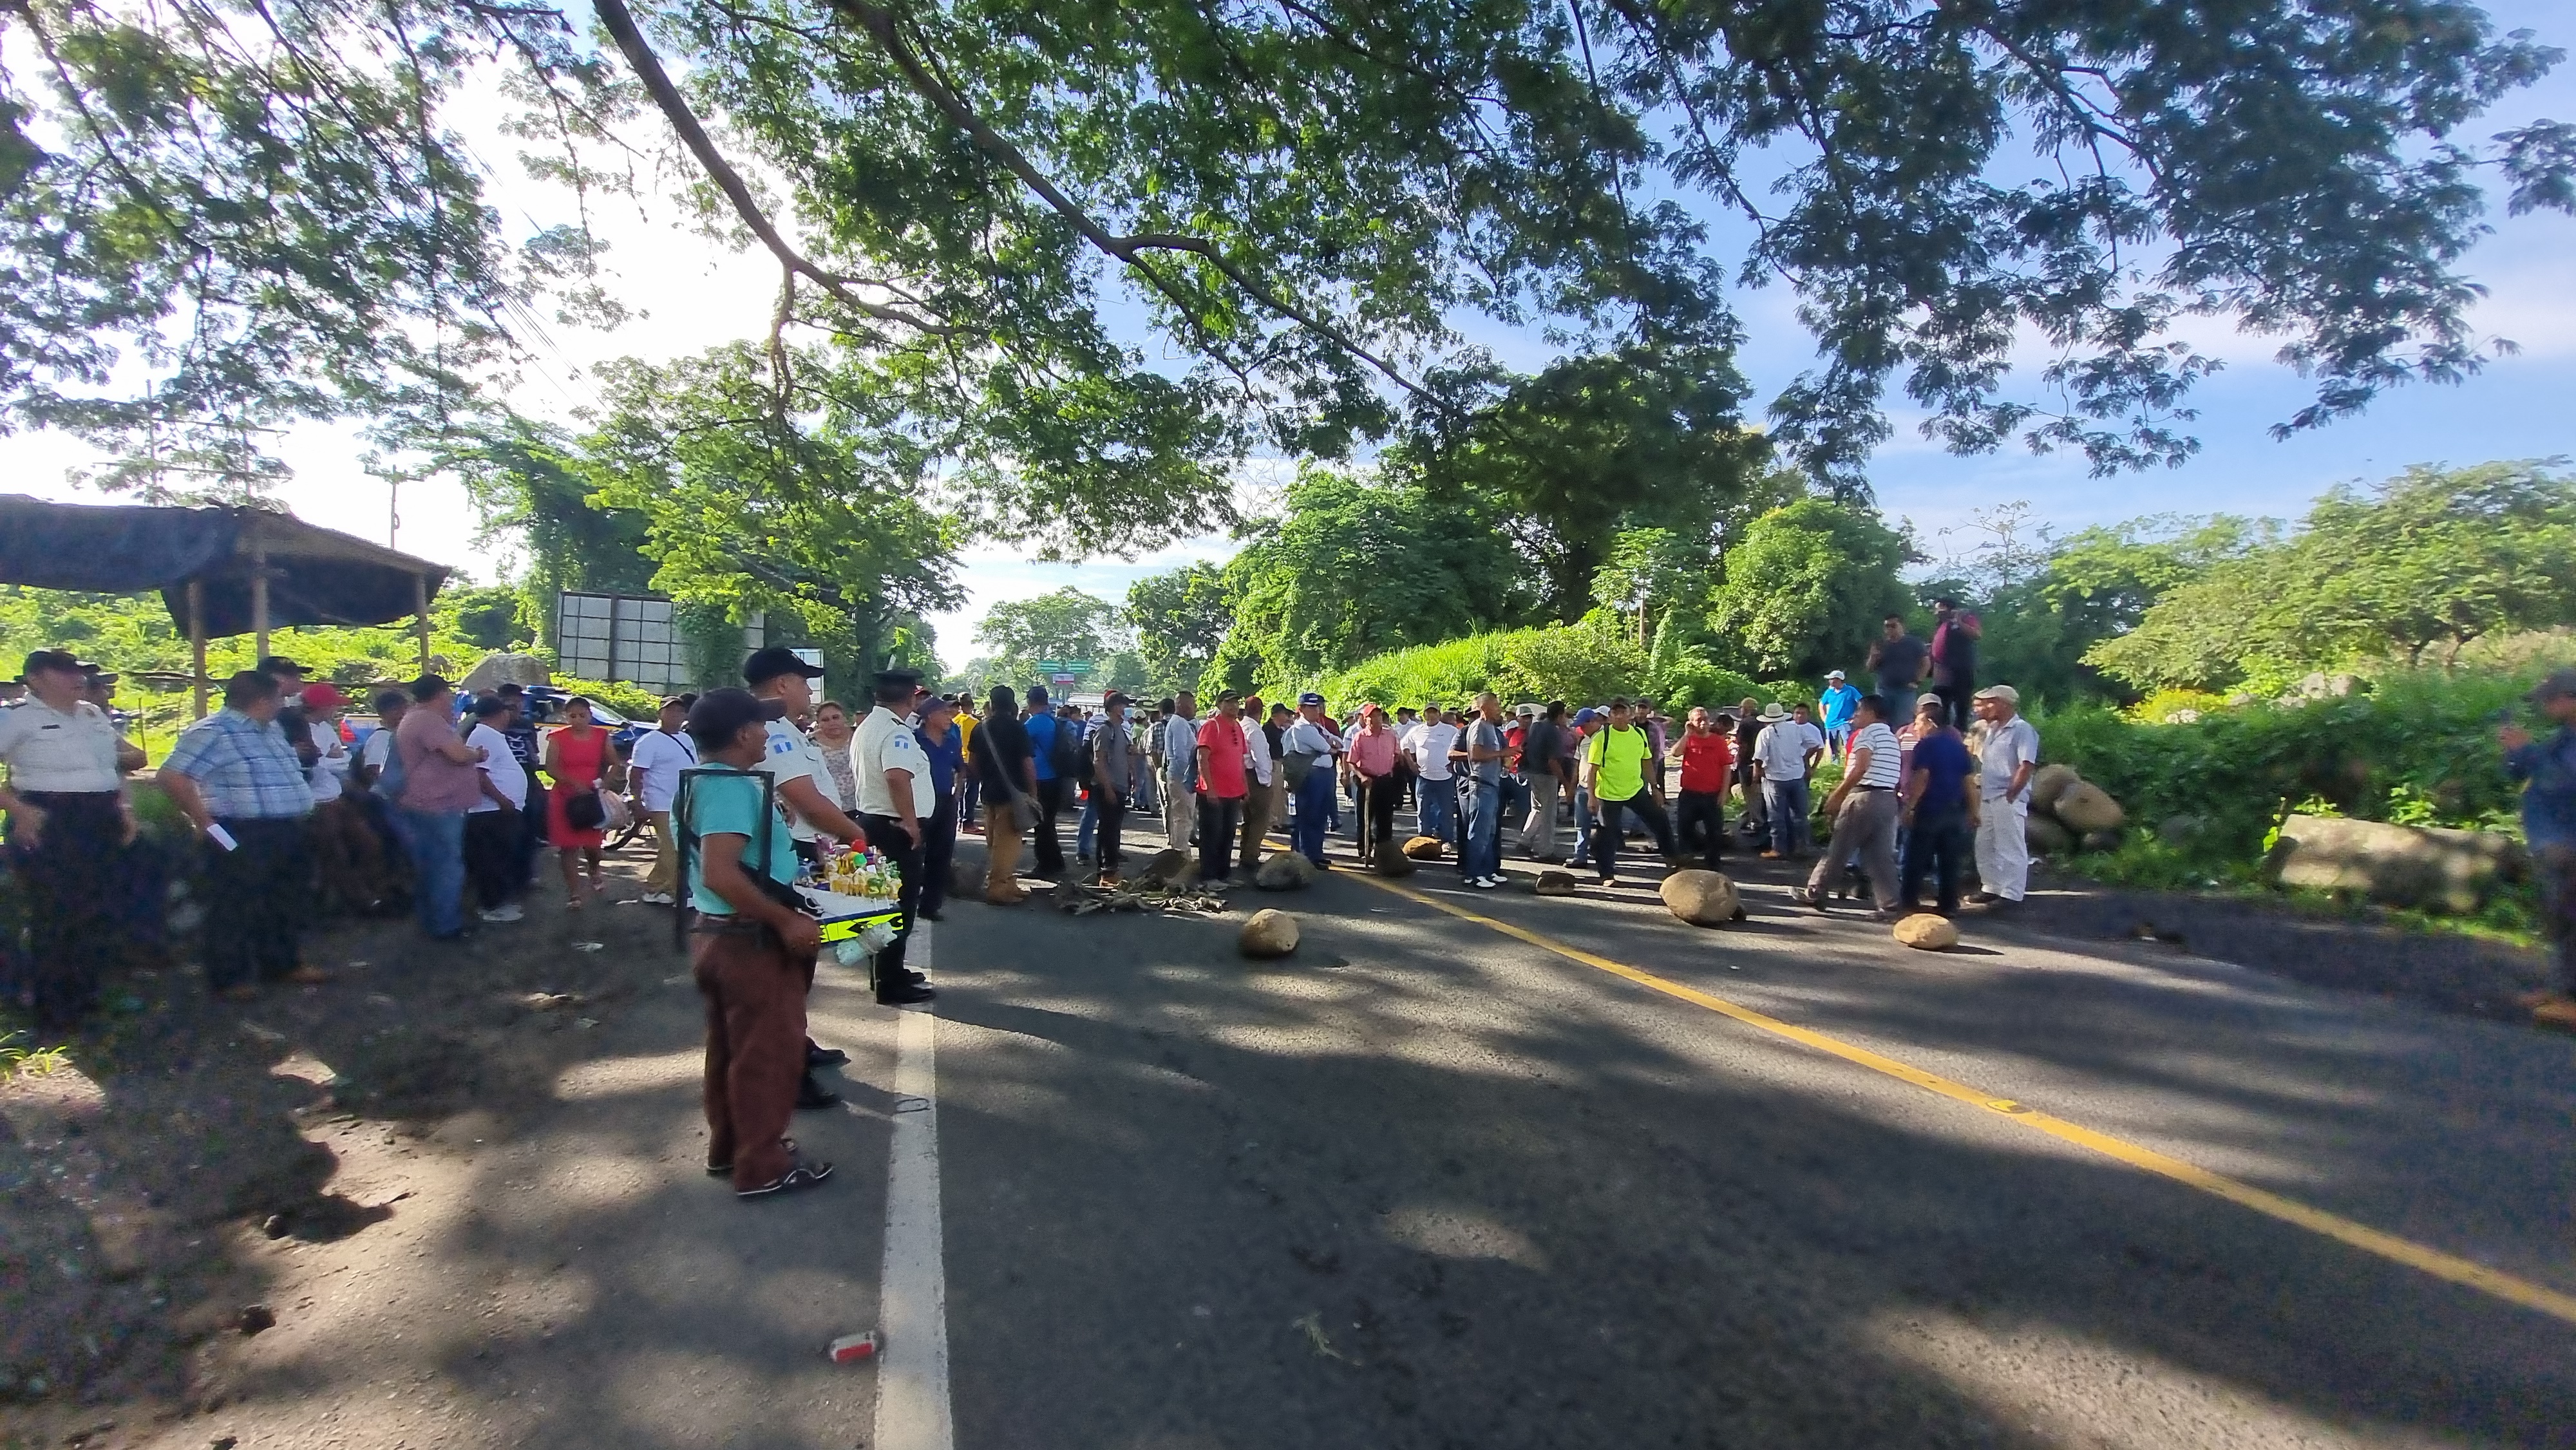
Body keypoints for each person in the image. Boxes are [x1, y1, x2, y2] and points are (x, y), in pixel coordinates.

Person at [676, 688, 835, 1200]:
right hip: (748, 940)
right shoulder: (732, 789)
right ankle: (762, 1166)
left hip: (719, 934)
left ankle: (732, 1148)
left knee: (732, 1051)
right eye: (761, 726)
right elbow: (723, 872)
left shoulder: (705, 782)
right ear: (743, 734)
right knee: (768, 1054)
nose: (769, 733)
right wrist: (784, 921)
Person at [158, 670, 319, 1001]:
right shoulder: (213, 732)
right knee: (235, 903)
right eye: (278, 698)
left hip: (286, 826)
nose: (283, 703)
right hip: (240, 828)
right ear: (262, 700)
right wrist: (204, 821)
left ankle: (282, 963)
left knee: (284, 899)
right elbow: (172, 776)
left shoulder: (271, 729)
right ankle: (230, 978)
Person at [0, 649, 135, 1033]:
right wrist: (20, 810)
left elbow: (112, 766)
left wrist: (124, 808)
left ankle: (87, 994)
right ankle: (54, 1007)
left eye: (78, 671)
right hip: (50, 818)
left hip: (99, 816)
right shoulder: (15, 718)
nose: (76, 678)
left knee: (96, 909)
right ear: (36, 679)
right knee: (55, 914)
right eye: (63, 672)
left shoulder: (92, 715)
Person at [853, 669, 938, 1007]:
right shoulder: (895, 733)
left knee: (883, 904)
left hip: (877, 824)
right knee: (899, 906)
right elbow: (898, 778)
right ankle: (889, 981)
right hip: (894, 829)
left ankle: (888, 971)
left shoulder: (870, 726)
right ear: (909, 698)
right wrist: (911, 822)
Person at [2503, 670, 2576, 1028]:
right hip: (2554, 842)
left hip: (2570, 841)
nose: (2545, 707)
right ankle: (2560, 990)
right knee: (2559, 918)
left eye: (2550, 700)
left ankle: (2572, 1000)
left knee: (2572, 917)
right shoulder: (2564, 738)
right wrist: (2516, 753)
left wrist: (2527, 753)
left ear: (2571, 699)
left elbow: (2563, 784)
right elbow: (2524, 772)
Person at [391, 674, 486, 940]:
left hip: (427, 802)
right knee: (445, 866)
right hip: (436, 804)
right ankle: (446, 925)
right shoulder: (427, 720)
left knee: (430, 864)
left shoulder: (415, 717)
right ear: (441, 694)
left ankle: (431, 920)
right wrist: (476, 754)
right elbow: (455, 754)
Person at [1795, 695, 1903, 914]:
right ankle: (1891, 903)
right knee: (1879, 855)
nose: (1854, 717)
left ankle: (1816, 892)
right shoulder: (1892, 738)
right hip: (1887, 799)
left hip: (1864, 797)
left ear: (1871, 714)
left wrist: (1838, 795)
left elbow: (1861, 768)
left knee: (1840, 846)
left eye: (1858, 712)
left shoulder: (1867, 734)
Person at [298, 683, 388, 914]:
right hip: (317, 801)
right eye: (333, 705)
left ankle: (371, 892)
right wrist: (332, 757)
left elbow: (339, 757)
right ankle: (358, 900)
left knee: (369, 843)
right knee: (335, 852)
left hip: (335, 795)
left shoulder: (325, 728)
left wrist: (333, 757)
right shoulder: (300, 730)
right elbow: (318, 762)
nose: (335, 710)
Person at [1580, 699, 1677, 886]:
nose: (1619, 716)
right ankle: (1607, 875)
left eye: (1622, 712)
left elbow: (1647, 762)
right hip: (1608, 794)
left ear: (1630, 714)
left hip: (1635, 790)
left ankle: (1673, 859)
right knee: (1608, 835)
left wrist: (1656, 789)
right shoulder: (1602, 737)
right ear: (1610, 716)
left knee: (1660, 818)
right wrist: (1592, 796)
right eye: (1614, 713)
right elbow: (1593, 769)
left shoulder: (1639, 734)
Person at [1898, 701, 1978, 914]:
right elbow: (1968, 782)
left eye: (1918, 723)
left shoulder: (1926, 745)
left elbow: (1923, 777)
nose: (1916, 728)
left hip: (1930, 808)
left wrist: (1910, 807)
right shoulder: (1959, 747)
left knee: (1917, 856)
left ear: (1931, 723)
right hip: (1954, 809)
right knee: (1949, 860)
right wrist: (1973, 811)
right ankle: (1949, 904)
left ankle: (1909, 902)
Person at [1968, 684, 2041, 909]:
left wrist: (2012, 793)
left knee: (2010, 844)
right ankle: (1991, 887)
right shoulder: (1992, 730)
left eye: (1991, 701)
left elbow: (2026, 764)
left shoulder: (2022, 729)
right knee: (1985, 844)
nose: (1986, 707)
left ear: (2004, 703)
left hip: (2007, 795)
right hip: (1988, 795)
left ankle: (2012, 893)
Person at [542, 695, 613, 909]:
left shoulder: (602, 735)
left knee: (593, 845)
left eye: (583, 715)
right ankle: (574, 893)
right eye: (573, 715)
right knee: (568, 846)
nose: (578, 720)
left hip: (592, 795)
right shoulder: (557, 737)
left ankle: (594, 871)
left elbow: (614, 763)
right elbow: (551, 768)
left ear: (590, 715)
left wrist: (605, 784)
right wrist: (572, 783)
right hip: (565, 797)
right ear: (566, 716)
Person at [464, 694, 529, 923]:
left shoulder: (491, 735)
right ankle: (491, 906)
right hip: (490, 811)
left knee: (501, 857)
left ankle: (498, 901)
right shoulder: (484, 735)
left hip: (497, 810)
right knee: (493, 860)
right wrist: (502, 800)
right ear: (501, 714)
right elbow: (479, 774)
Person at [630, 695, 700, 905]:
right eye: (670, 710)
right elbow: (636, 774)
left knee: (674, 847)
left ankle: (654, 887)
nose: (675, 715)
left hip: (684, 800)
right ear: (660, 713)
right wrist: (637, 803)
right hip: (660, 801)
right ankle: (677, 892)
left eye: (680, 711)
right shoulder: (648, 742)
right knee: (672, 847)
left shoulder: (687, 739)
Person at [970, 684, 1035, 903]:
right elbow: (1028, 764)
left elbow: (974, 763)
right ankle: (997, 889)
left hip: (989, 792)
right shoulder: (1018, 728)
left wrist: (985, 780)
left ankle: (1010, 883)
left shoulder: (980, 729)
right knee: (1008, 844)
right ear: (1012, 704)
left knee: (995, 843)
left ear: (992, 703)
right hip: (1013, 794)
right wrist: (1033, 793)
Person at [1751, 702, 1826, 860]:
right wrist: (1804, 759)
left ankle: (1779, 848)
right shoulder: (1796, 729)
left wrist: (1757, 776)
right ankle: (1802, 847)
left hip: (1775, 778)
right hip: (1796, 776)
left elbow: (1758, 758)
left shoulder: (1766, 733)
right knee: (1800, 815)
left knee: (1776, 816)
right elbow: (1816, 745)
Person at [1193, 691, 1252, 881]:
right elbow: (1202, 758)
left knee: (1228, 834)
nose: (1234, 706)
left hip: (1233, 792)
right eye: (1229, 703)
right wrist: (1209, 788)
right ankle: (1209, 875)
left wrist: (1245, 787)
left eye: (1236, 702)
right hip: (1213, 792)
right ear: (1220, 705)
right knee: (1212, 835)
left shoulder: (1238, 727)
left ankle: (1223, 873)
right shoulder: (1212, 727)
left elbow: (1240, 761)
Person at [914, 694, 963, 919]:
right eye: (944, 713)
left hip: (945, 801)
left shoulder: (952, 741)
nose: (950, 717)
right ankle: (907, 899)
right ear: (930, 716)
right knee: (914, 853)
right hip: (920, 802)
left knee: (942, 854)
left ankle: (930, 906)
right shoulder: (914, 741)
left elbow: (960, 768)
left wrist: (958, 792)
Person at [1671, 706, 1733, 870]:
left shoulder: (1718, 741)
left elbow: (1726, 767)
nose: (1703, 723)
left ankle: (1713, 864)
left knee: (1714, 831)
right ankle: (1685, 862)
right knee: (1684, 829)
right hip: (1690, 794)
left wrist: (1724, 792)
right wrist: (1687, 734)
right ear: (1691, 722)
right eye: (1699, 720)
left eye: (1705, 719)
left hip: (1712, 794)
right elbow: (1675, 753)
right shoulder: (1688, 739)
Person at [1457, 693, 1509, 888]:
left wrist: (1505, 758)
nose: (1499, 708)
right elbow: (1476, 754)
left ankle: (1487, 871)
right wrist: (1504, 753)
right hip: (1481, 785)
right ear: (1484, 707)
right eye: (1495, 704)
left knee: (1490, 832)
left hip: (1492, 784)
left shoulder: (1492, 728)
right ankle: (1474, 874)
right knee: (1478, 831)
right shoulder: (1478, 726)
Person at [1340, 701, 1398, 867]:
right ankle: (1364, 851)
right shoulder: (1360, 737)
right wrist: (1361, 776)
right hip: (1366, 781)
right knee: (1365, 818)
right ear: (1365, 720)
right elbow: (1352, 761)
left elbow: (1397, 754)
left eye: (1378, 716)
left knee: (1385, 818)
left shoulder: (1390, 735)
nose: (1376, 720)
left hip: (1385, 780)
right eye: (1371, 717)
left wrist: (1391, 770)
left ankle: (1384, 852)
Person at [1021, 684, 1070, 876]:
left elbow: (1020, 743)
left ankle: (1044, 866)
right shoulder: (1053, 721)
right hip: (1056, 777)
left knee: (1041, 825)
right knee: (1049, 823)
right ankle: (1056, 862)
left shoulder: (1035, 722)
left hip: (1041, 779)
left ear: (1030, 702)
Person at [1088, 692, 1135, 886]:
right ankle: (1108, 874)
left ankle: (1105, 870)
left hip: (1120, 786)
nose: (1127, 710)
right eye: (1125, 706)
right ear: (1116, 707)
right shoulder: (1105, 731)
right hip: (1109, 787)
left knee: (1111, 830)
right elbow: (1098, 761)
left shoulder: (1122, 730)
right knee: (1109, 830)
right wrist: (1107, 788)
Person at [1517, 702, 1569, 862]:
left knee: (1537, 809)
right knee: (1549, 814)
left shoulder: (1536, 726)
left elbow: (1526, 746)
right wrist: (1566, 784)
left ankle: (1525, 840)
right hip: (1546, 775)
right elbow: (1553, 761)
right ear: (1560, 716)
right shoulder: (1553, 731)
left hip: (1532, 772)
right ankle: (1546, 851)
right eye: (1565, 715)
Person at [1403, 704, 1461, 844]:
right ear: (1424, 715)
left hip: (1445, 777)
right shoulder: (1416, 731)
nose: (1431, 715)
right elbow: (1404, 746)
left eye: (1434, 712)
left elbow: (1459, 748)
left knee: (1446, 811)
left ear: (1439, 714)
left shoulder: (1451, 731)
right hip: (1424, 777)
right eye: (1428, 713)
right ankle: (1425, 839)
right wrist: (1411, 764)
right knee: (1423, 809)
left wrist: (1454, 765)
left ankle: (1446, 840)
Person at [1235, 693, 1279, 869]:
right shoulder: (1254, 730)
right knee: (1261, 819)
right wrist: (1266, 779)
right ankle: (1251, 855)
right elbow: (1260, 757)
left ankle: (1245, 851)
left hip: (1242, 774)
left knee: (1248, 818)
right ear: (1261, 712)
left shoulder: (1241, 726)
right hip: (1255, 776)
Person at [1930, 598, 1983, 733]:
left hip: (1961, 670)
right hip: (1943, 673)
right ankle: (1942, 734)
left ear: (1948, 608)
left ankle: (1961, 735)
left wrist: (1959, 621)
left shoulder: (1965, 617)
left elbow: (1976, 634)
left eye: (1939, 608)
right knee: (1941, 708)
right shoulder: (1942, 625)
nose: (1936, 612)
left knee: (1961, 707)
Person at [1867, 614, 1929, 728]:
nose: (1890, 629)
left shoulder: (1914, 643)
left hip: (1905, 691)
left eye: (1893, 626)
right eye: (1887, 626)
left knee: (1903, 724)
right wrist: (1873, 656)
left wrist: (1918, 681)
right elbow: (1870, 668)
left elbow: (1926, 663)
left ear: (1902, 626)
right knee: (1882, 723)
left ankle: (1902, 746)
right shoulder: (1881, 644)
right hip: (1883, 690)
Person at [1565, 707, 1604, 868]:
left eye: (1583, 725)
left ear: (1594, 722)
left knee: (1605, 826)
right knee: (1581, 825)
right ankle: (1580, 856)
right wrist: (1572, 788)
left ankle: (1605, 861)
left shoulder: (1606, 737)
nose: (1581, 729)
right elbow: (1577, 764)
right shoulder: (1583, 740)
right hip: (1583, 787)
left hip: (1602, 789)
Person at [1161, 689, 1199, 851]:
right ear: (1182, 705)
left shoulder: (1179, 723)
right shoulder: (1179, 723)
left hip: (1179, 777)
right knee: (1183, 818)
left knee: (1182, 816)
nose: (1195, 707)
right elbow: (1180, 753)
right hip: (1181, 778)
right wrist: (1189, 774)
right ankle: (1181, 853)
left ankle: (1180, 851)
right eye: (1192, 704)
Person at [1730, 696, 1768, 843]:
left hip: (1747, 762)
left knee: (1750, 795)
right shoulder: (1761, 722)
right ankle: (1756, 820)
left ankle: (1757, 824)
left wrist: (1738, 761)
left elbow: (1743, 745)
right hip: (1762, 762)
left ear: (1745, 709)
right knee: (1759, 794)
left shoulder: (1745, 724)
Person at [811, 700, 859, 811]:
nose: (832, 722)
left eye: (836, 717)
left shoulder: (859, 736)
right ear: (818, 723)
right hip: (829, 806)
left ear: (844, 718)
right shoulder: (809, 743)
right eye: (825, 720)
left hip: (862, 804)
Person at [954, 695, 982, 833]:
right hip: (971, 759)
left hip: (956, 759)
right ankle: (967, 822)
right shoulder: (975, 722)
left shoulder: (954, 720)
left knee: (959, 790)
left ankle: (959, 821)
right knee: (971, 792)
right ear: (971, 706)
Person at [1817, 671, 1861, 760]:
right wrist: (1824, 718)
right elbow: (1822, 704)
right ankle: (1835, 765)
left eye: (1831, 679)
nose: (1830, 681)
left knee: (1848, 744)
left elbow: (1861, 702)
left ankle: (1851, 761)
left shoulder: (1850, 690)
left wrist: (1856, 716)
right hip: (1830, 723)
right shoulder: (1829, 692)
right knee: (1833, 748)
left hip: (1845, 722)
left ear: (1838, 680)